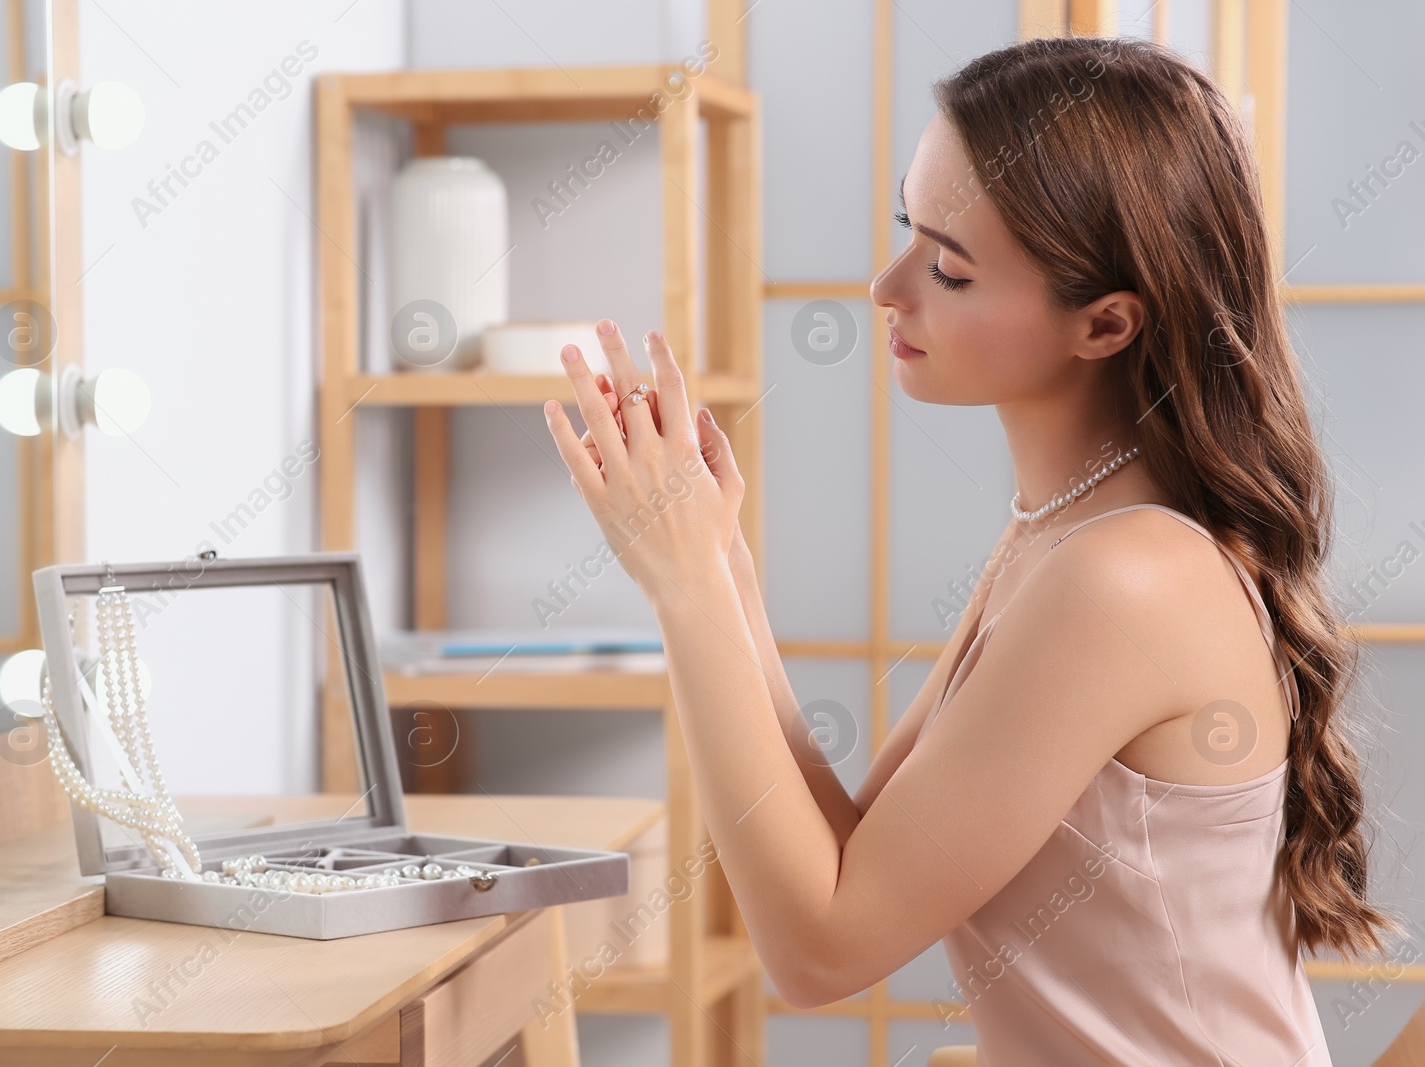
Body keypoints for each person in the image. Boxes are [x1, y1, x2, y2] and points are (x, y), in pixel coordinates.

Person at [542, 35, 1396, 1066]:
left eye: (948, 267)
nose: (887, 285)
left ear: (1104, 324)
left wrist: (685, 589)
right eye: (909, 224)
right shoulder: (1061, 529)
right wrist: (716, 558)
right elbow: (850, 859)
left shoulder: (1122, 578)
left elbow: (816, 950)